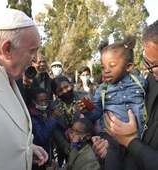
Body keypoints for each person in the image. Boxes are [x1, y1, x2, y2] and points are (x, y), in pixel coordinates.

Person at [0, 8, 48, 170]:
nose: (35, 59)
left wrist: (26, 150)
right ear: (7, 49)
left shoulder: (7, 75)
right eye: (32, 51)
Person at [77, 35, 148, 170]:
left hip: (135, 140)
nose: (106, 70)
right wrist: (87, 110)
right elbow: (96, 114)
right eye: (103, 67)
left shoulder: (141, 84)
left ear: (128, 66)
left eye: (112, 66)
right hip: (111, 141)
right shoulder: (101, 90)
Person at [102, 20, 158, 170]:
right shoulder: (151, 81)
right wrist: (108, 139)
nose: (148, 69)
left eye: (155, 65)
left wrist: (131, 141)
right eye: (147, 62)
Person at [50, 75, 90, 167]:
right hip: (66, 148)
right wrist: (64, 144)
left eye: (66, 87)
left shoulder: (85, 97)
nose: (65, 91)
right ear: (56, 94)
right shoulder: (53, 107)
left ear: (71, 85)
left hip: (86, 145)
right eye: (60, 90)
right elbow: (55, 129)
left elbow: (93, 119)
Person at [28, 87, 63, 170]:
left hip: (48, 157)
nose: (44, 103)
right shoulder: (32, 116)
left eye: (46, 100)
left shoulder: (47, 112)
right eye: (40, 101)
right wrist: (53, 119)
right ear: (33, 102)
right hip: (38, 160)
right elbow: (41, 138)